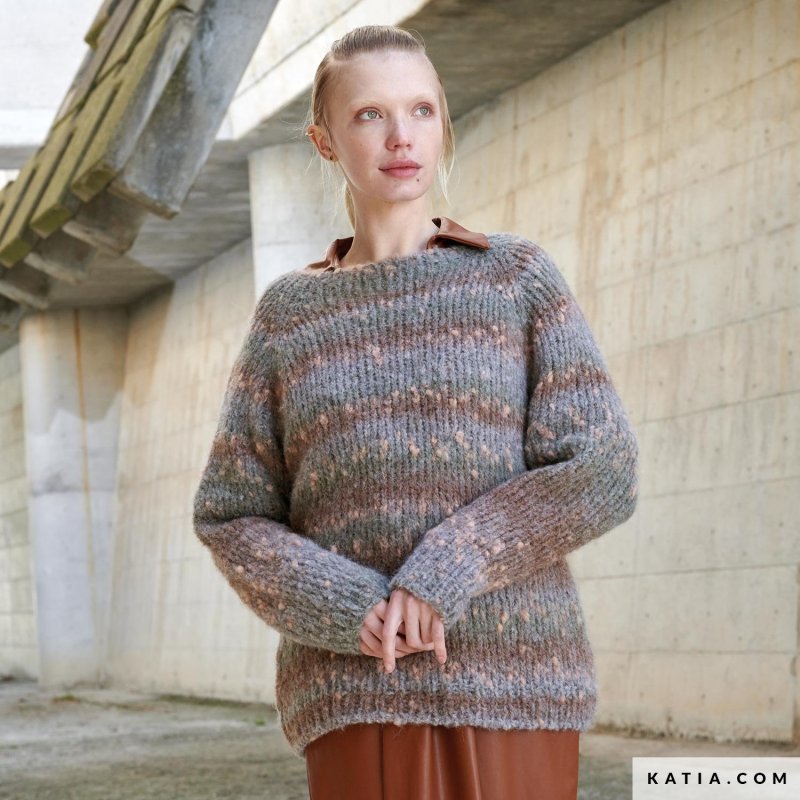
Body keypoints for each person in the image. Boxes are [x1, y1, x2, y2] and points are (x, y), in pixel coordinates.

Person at [192, 23, 640, 800]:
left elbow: (603, 465)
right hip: (356, 693)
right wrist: (347, 605)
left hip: (516, 686)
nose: (402, 136)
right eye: (370, 114)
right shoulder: (290, 317)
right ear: (325, 141)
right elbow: (231, 514)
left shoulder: (513, 278)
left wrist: (449, 567)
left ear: (442, 124)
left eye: (421, 110)